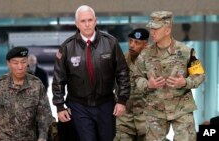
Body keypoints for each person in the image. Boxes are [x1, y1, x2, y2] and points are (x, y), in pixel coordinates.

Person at [52, 5, 130, 141]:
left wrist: (122, 100)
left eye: (90, 20)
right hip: (79, 105)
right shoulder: (67, 47)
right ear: (77, 23)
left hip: (105, 104)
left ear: (95, 20)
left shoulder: (111, 43)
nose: (87, 24)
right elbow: (58, 78)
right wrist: (60, 106)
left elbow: (122, 72)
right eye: (83, 21)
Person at [134, 11, 205, 141]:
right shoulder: (144, 54)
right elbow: (136, 78)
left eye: (156, 28)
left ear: (167, 30)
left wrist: (185, 82)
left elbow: (199, 75)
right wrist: (148, 84)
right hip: (155, 110)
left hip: (181, 109)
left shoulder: (186, 51)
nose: (152, 32)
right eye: (151, 28)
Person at [0, 47, 52, 141]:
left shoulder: (36, 84)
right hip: (3, 136)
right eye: (15, 63)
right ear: (8, 64)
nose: (20, 67)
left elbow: (44, 113)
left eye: (23, 62)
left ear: (28, 63)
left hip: (28, 137)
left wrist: (42, 136)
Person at [114, 28, 149, 141]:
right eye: (130, 41)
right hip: (124, 119)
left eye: (137, 42)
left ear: (145, 45)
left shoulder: (153, 63)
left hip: (147, 119)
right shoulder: (121, 60)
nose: (132, 45)